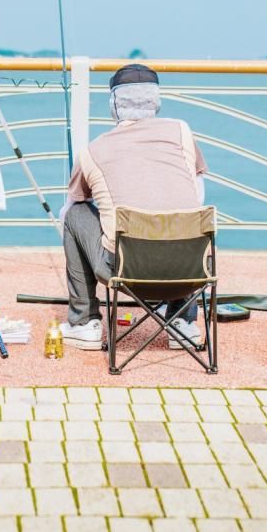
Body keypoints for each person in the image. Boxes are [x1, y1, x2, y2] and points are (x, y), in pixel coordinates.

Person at [60, 63, 209, 350]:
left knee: (75, 214)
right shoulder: (182, 132)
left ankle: (84, 322)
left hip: (124, 273)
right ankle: (183, 322)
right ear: (157, 101)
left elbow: (70, 209)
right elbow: (197, 195)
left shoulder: (92, 151)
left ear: (114, 104)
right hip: (190, 272)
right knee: (184, 221)